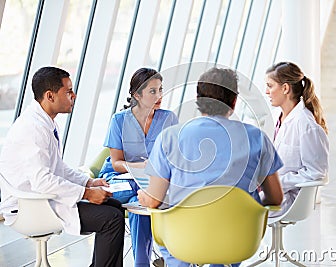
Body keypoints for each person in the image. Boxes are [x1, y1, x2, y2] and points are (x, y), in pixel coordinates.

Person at [138, 67, 284, 267]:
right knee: (226, 245)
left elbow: (154, 200)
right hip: (237, 240)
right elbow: (276, 198)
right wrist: (249, 204)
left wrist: (144, 197)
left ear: (198, 101)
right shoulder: (257, 137)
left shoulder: (169, 137)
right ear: (234, 101)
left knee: (170, 236)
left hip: (184, 240)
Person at [0, 66, 125, 267]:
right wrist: (86, 193)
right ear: (50, 96)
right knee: (110, 219)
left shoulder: (46, 123)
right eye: (68, 92)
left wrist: (90, 182)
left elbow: (58, 167)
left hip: (44, 198)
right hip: (28, 207)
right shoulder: (33, 128)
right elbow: (43, 181)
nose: (73, 96)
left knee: (115, 207)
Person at [99, 67, 178, 266]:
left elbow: (174, 159)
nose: (159, 95)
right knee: (138, 196)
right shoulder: (119, 120)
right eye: (153, 91)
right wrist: (138, 166)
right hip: (122, 179)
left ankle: (143, 263)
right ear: (137, 95)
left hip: (152, 181)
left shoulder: (168, 119)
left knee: (139, 202)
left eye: (160, 90)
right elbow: (116, 163)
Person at [265, 61, 329, 217]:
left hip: (288, 197)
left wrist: (278, 182)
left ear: (285, 88)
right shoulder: (278, 117)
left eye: (270, 86)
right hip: (272, 189)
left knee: (237, 207)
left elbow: (317, 173)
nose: (266, 92)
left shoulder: (306, 124)